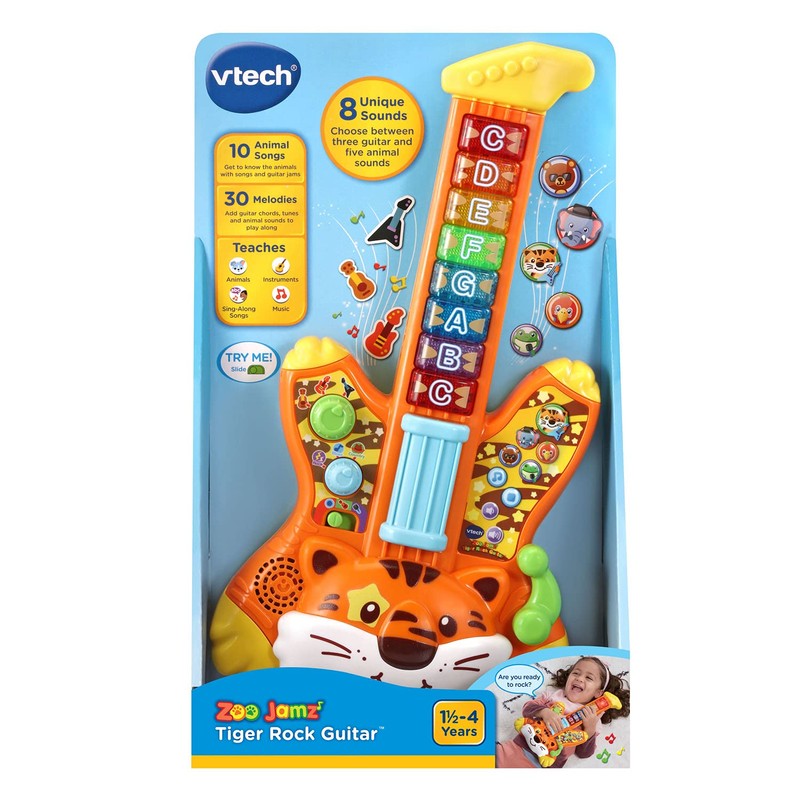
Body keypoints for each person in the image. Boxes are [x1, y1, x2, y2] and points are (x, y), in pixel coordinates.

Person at [496, 656, 630, 768]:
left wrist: (589, 730)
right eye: (576, 673)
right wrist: (545, 712)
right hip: (514, 748)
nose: (579, 678)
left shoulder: (593, 718)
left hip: (542, 765)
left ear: (598, 693)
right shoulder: (553, 696)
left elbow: (583, 753)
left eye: (589, 678)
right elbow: (527, 708)